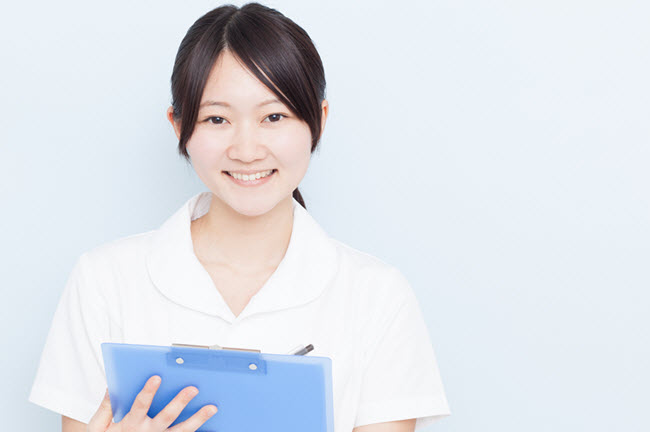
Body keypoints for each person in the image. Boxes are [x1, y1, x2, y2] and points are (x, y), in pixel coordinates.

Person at [28, 2, 451, 431]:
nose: (246, 150)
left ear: (317, 120)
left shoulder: (376, 296)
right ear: (179, 126)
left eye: (273, 116)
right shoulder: (104, 280)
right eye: (217, 118)